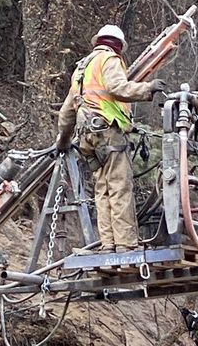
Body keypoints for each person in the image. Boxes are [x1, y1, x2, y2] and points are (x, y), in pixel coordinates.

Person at [55, 24, 166, 254]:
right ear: (117, 45)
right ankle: (125, 244)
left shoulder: (81, 70)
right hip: (108, 134)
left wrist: (63, 141)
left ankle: (108, 244)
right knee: (119, 187)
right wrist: (148, 89)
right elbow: (118, 87)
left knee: (102, 190)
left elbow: (67, 112)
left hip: (88, 139)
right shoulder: (109, 60)